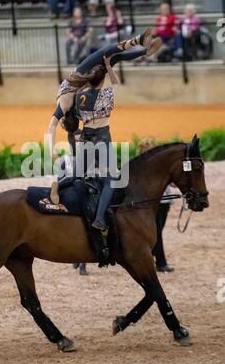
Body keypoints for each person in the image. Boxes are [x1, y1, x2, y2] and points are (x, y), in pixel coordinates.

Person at [48, 28, 162, 202]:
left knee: (110, 57)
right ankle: (140, 45)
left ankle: (143, 48)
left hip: (77, 79)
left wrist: (52, 151)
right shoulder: (69, 103)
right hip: (80, 77)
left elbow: (54, 126)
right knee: (108, 56)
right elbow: (56, 127)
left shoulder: (71, 104)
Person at [138, 138, 174, 273]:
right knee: (157, 232)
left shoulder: (162, 165)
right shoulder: (140, 166)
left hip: (165, 203)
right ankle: (161, 263)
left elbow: (172, 182)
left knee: (158, 231)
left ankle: (151, 256)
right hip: (151, 205)